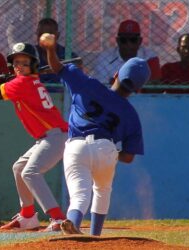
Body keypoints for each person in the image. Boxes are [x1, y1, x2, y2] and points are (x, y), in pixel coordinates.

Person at [40, 33, 150, 235]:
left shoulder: (87, 84)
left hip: (76, 146)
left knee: (79, 195)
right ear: (138, 88)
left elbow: (56, 67)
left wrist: (50, 49)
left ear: (116, 74)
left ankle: (72, 221)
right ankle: (95, 235)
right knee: (102, 190)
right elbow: (128, 157)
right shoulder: (131, 115)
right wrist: (108, 153)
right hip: (106, 148)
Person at [0, 43, 68, 231]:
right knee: (19, 167)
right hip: (49, 137)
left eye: (24, 63)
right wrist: (4, 80)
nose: (19, 66)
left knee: (30, 173)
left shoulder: (22, 83)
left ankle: (59, 219)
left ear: (33, 65)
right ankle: (27, 216)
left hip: (56, 136)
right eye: (16, 63)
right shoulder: (27, 82)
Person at [93, 19, 160, 86]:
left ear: (140, 41)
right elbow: (100, 86)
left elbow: (155, 87)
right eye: (123, 40)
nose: (128, 44)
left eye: (133, 40)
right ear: (118, 41)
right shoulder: (105, 57)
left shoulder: (149, 56)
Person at [35, 18, 79, 83]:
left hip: (62, 92)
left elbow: (76, 78)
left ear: (57, 35)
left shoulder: (69, 56)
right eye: (40, 34)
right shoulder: (31, 55)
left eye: (49, 35)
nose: (44, 38)